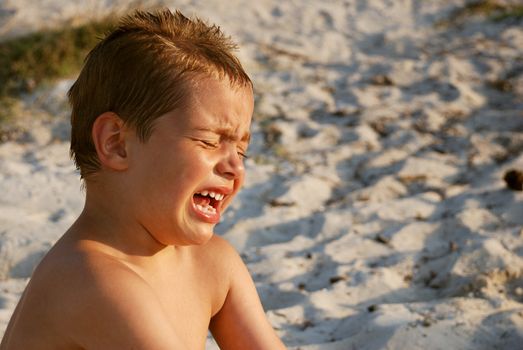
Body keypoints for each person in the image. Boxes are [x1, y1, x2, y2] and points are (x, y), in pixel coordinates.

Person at [1, 8, 286, 350]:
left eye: (241, 151)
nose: (234, 168)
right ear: (116, 144)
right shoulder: (88, 280)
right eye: (209, 141)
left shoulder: (213, 264)